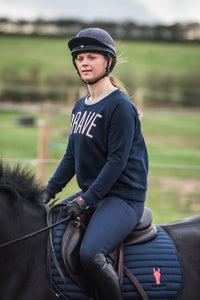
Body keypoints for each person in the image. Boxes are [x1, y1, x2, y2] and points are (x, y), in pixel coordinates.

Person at [41, 27, 148, 300]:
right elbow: (71, 156)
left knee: (90, 253)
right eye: (79, 58)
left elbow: (116, 161)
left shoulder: (120, 107)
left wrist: (86, 199)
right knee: (51, 222)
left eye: (91, 57)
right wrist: (48, 191)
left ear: (108, 62)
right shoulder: (80, 106)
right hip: (96, 195)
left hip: (123, 197)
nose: (84, 63)